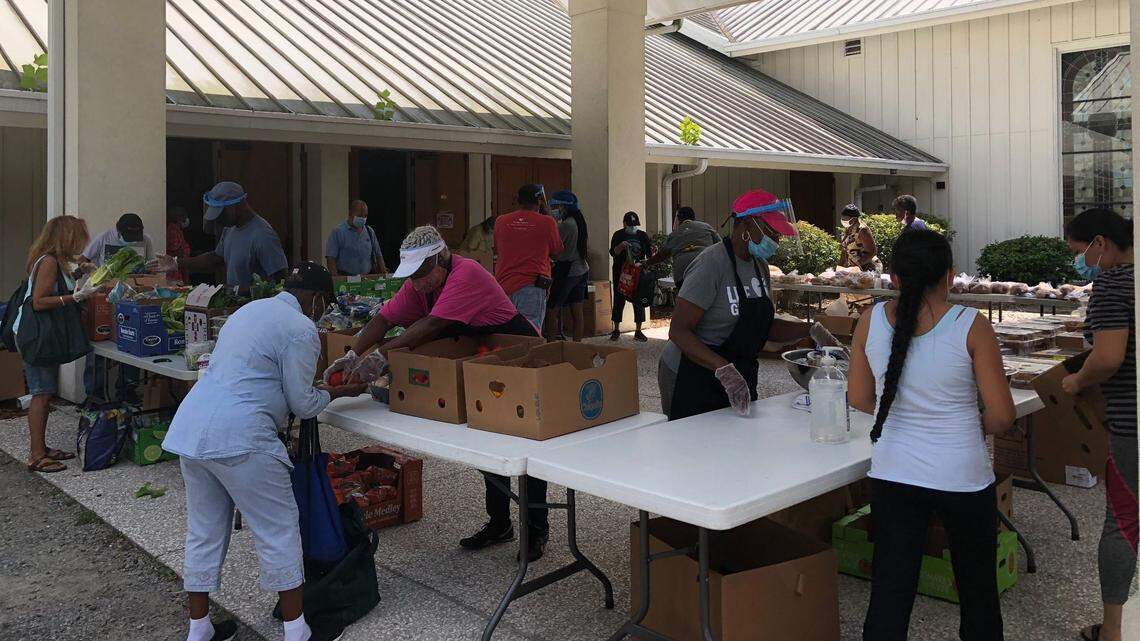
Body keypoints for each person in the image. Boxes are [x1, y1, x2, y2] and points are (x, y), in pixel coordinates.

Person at [162, 262, 365, 641]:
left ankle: (199, 629)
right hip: (243, 435)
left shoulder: (248, 311)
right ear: (317, 298)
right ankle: (296, 631)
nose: (322, 311)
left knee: (203, 531)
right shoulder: (301, 328)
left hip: (192, 429)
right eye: (324, 303)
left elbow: (258, 374)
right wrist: (339, 392)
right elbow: (303, 403)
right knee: (279, 530)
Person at [326, 226, 551, 561]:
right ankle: (500, 523)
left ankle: (536, 529)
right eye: (412, 276)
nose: (415, 283)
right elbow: (384, 319)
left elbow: (430, 325)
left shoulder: (466, 274)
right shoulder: (422, 284)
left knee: (522, 445)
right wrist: (352, 353)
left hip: (515, 353)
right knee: (487, 445)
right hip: (481, 359)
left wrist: (381, 356)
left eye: (420, 275)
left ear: (441, 259)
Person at [847, 229, 1013, 641]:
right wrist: (969, 426)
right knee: (978, 591)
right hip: (962, 475)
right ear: (950, 276)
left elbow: (859, 398)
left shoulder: (870, 320)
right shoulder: (970, 325)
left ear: (895, 278)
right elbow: (1002, 415)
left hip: (893, 472)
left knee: (890, 591)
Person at [657, 190, 816, 420]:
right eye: (772, 232)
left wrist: (810, 329)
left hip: (739, 373)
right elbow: (679, 331)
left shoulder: (759, 266)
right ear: (749, 224)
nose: (777, 240)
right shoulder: (711, 264)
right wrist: (723, 369)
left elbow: (763, 326)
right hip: (693, 374)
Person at [1061, 208, 1137, 641]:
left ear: (1101, 243)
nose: (1082, 262)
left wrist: (1077, 381)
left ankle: (1111, 630)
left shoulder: (1112, 283)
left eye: (1081, 252)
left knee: (1123, 521)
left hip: (1131, 422)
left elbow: (1108, 358)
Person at [16, 216, 105, 473]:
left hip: (43, 336)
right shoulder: (49, 262)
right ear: (67, 237)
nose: (81, 243)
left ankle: (42, 448)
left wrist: (79, 273)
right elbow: (39, 301)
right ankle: (36, 455)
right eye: (78, 237)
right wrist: (75, 297)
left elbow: (55, 286)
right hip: (37, 338)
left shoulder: (53, 261)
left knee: (46, 392)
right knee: (41, 394)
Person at [148, 181, 288, 291]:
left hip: (256, 310)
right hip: (236, 308)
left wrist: (239, 290)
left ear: (236, 207)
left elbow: (280, 281)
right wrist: (177, 263)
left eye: (221, 214)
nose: (219, 220)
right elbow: (215, 258)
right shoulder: (230, 230)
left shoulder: (263, 235)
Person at [493, 184, 563, 330]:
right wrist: (548, 214)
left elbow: (499, 248)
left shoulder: (500, 221)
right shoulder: (547, 222)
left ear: (518, 200)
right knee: (530, 332)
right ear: (539, 201)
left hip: (503, 284)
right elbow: (557, 251)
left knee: (505, 332)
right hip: (532, 285)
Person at [544, 190, 590, 342]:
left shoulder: (566, 225)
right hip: (581, 269)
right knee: (577, 311)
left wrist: (550, 222)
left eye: (556, 207)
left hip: (567, 271)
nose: (554, 210)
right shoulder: (578, 221)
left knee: (552, 310)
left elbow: (554, 248)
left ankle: (551, 346)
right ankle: (576, 346)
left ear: (563, 207)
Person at [643, 206, 720, 290]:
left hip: (682, 274)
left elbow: (661, 256)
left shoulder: (674, 234)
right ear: (693, 217)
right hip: (706, 268)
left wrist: (646, 263)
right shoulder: (706, 227)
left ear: (678, 219)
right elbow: (721, 245)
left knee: (685, 296)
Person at [609, 211, 653, 342]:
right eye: (630, 225)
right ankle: (616, 329)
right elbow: (613, 252)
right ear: (624, 224)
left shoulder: (642, 235)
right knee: (619, 299)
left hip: (637, 272)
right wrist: (621, 246)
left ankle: (638, 330)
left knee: (638, 300)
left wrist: (645, 264)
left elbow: (649, 254)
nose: (633, 227)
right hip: (620, 272)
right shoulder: (618, 235)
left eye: (635, 225)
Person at [325, 200, 386, 276]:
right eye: (359, 216)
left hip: (366, 277)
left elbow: (378, 254)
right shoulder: (338, 232)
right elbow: (331, 258)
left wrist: (384, 273)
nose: (362, 218)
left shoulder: (369, 231)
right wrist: (335, 279)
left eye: (365, 216)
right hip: (345, 277)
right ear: (350, 213)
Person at [81, 212, 156, 267]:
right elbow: (83, 258)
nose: (133, 241)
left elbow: (152, 263)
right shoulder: (104, 238)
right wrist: (91, 272)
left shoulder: (146, 239)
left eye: (136, 237)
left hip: (137, 280)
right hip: (108, 281)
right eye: (129, 237)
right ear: (118, 230)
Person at [839, 204, 880, 271]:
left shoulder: (862, 230)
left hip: (867, 269)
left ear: (854, 219)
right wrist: (840, 268)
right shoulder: (848, 227)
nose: (843, 220)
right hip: (853, 269)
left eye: (845, 218)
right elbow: (844, 251)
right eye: (842, 218)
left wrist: (857, 266)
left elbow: (872, 252)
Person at [166, 204, 192, 283]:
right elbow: (175, 251)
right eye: (184, 217)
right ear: (178, 218)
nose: (186, 219)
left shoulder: (177, 230)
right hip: (174, 270)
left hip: (179, 267)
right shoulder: (172, 231)